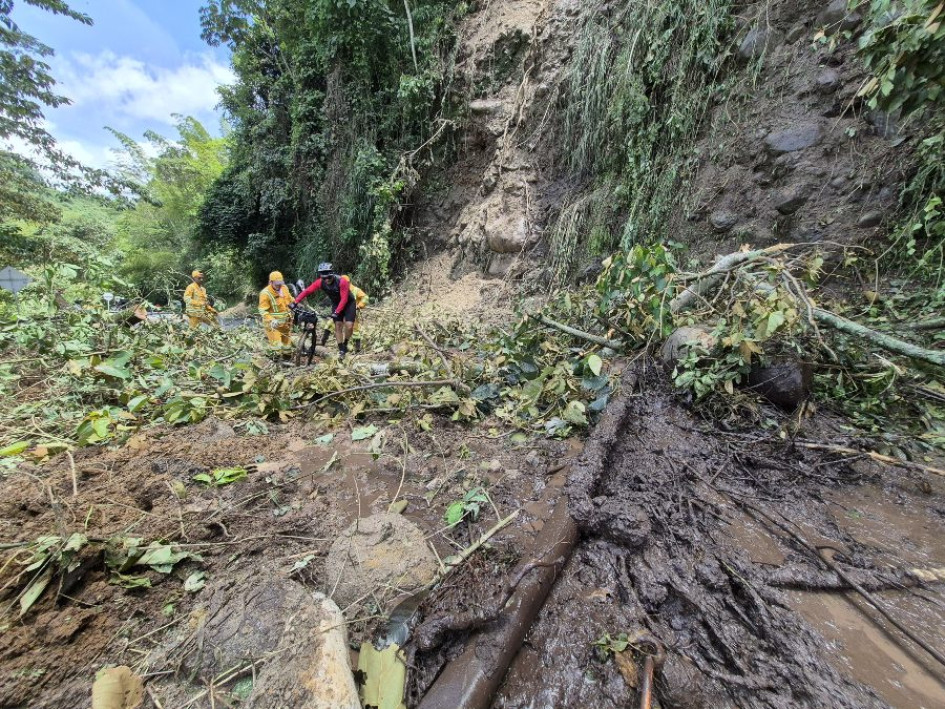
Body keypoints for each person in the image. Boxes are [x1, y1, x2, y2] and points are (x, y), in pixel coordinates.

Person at [291, 262, 359, 357]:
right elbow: (307, 291)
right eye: (324, 278)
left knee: (349, 326)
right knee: (338, 325)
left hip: (348, 303)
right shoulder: (320, 282)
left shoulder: (341, 281)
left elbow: (344, 299)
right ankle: (341, 350)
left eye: (329, 277)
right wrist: (295, 302)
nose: (327, 280)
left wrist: (337, 312)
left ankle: (345, 343)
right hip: (336, 303)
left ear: (332, 274)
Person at [259, 271, 293, 352]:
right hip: (273, 325)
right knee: (277, 347)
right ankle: (276, 361)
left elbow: (290, 299)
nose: (279, 285)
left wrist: (297, 304)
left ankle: (286, 361)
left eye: (280, 283)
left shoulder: (284, 288)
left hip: (285, 323)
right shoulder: (265, 293)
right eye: (277, 284)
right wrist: (271, 320)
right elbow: (263, 310)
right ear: (271, 282)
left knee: (287, 348)